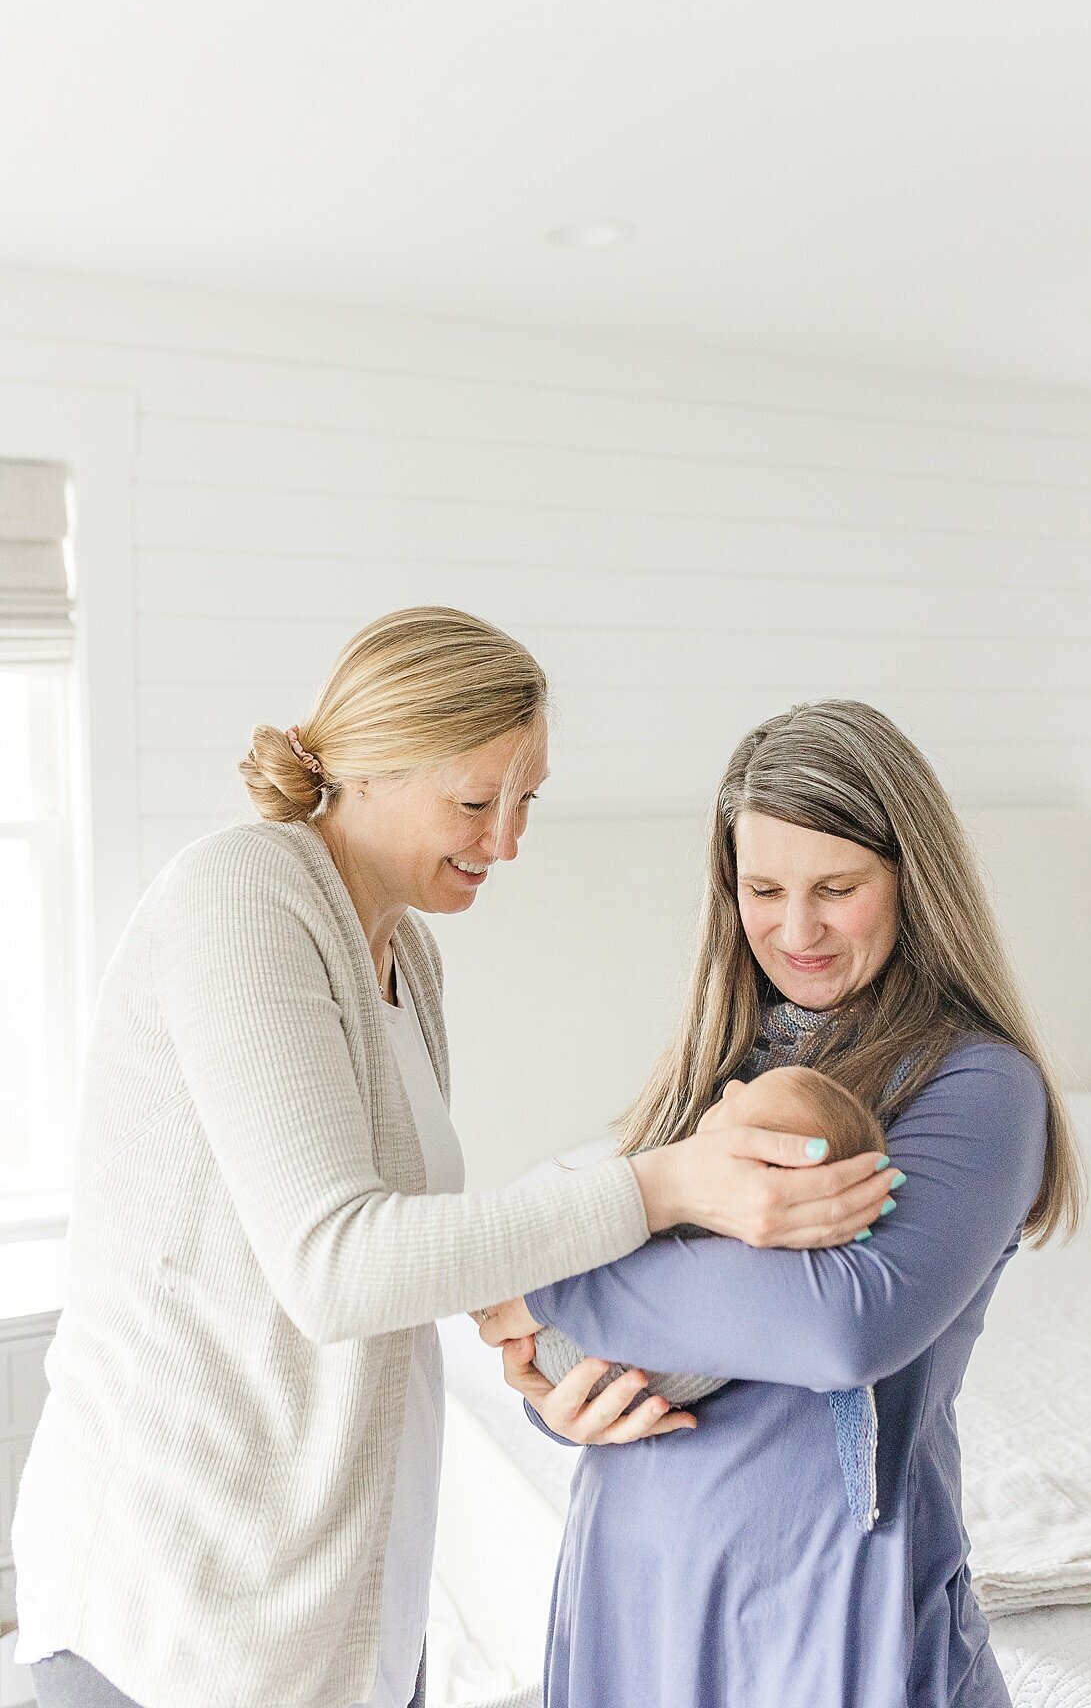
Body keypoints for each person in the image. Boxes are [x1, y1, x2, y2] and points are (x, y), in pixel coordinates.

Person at [12, 611, 899, 1708]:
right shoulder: (240, 895)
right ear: (366, 770)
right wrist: (661, 1184)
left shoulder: (408, 958)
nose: (508, 841)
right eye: (477, 802)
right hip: (183, 1607)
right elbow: (337, 1266)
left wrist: (528, 1342)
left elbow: (410, 1252)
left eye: (526, 801)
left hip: (347, 1610)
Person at [480, 698, 1086, 1708]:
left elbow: (839, 1326)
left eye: (836, 888)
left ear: (911, 884)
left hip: (823, 1603)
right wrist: (563, 1405)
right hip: (636, 1581)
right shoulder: (713, 1077)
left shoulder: (978, 1087)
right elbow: (662, 1322)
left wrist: (548, 1280)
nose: (794, 930)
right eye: (763, 888)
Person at [532, 1064, 889, 1408]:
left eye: (743, 1100)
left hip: (583, 1353)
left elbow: (583, 1219)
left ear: (762, 1174)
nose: (733, 1086)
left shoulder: (726, 1271)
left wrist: (541, 1294)